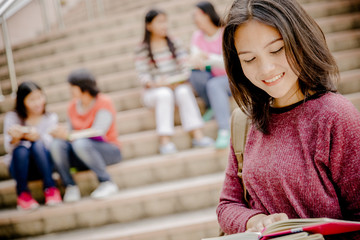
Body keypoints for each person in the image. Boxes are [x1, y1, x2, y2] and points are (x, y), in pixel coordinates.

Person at [216, 0, 360, 239]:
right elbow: (227, 205)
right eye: (249, 59)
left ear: (300, 41)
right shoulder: (244, 120)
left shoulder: (335, 115)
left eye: (276, 50)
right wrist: (256, 220)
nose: (266, 69)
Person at [135, 9, 214, 155]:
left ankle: (198, 135)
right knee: (164, 94)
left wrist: (179, 79)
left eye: (165, 21)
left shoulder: (174, 42)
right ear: (149, 26)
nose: (164, 25)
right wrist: (158, 83)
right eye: (159, 22)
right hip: (154, 91)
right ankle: (165, 140)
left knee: (184, 91)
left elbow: (185, 66)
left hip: (177, 86)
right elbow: (143, 76)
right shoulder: (142, 49)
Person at [50, 69, 122, 202]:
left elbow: (99, 131)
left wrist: (69, 135)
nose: (70, 90)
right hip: (81, 152)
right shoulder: (72, 106)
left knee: (80, 143)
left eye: (72, 87)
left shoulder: (104, 102)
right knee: (57, 144)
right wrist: (61, 134)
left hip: (108, 150)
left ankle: (107, 182)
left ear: (82, 86)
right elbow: (70, 135)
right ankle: (70, 185)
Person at [3, 81, 62, 210]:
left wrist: (38, 137)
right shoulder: (12, 117)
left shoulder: (50, 117)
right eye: (32, 99)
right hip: (20, 167)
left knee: (37, 145)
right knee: (21, 149)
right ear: (22, 101)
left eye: (40, 97)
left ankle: (50, 188)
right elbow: (8, 148)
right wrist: (15, 139)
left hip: (44, 165)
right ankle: (23, 194)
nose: (38, 102)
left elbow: (52, 145)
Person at [189, 1, 232, 149]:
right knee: (195, 75)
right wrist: (196, 59)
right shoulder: (197, 36)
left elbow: (230, 62)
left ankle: (225, 130)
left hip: (232, 78)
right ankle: (212, 105)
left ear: (207, 14)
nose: (194, 19)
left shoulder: (225, 31)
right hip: (213, 78)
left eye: (196, 15)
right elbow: (195, 56)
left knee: (214, 84)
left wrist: (208, 57)